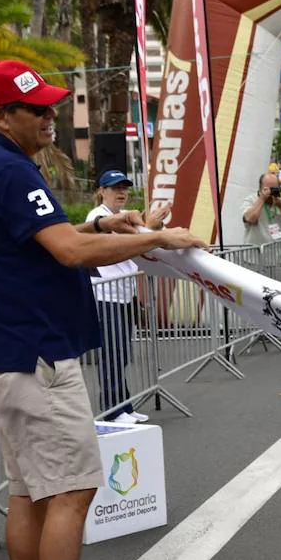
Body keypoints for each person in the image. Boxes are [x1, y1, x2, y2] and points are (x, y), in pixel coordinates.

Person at [0, 60, 204, 560]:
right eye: (35, 110)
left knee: (33, 493)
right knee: (71, 489)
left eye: (50, 107)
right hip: (35, 355)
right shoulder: (6, 167)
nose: (48, 118)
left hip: (8, 352)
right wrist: (155, 239)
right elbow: (66, 250)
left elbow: (46, 239)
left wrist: (100, 225)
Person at [86, 171, 170, 424]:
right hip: (105, 295)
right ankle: (112, 410)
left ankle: (124, 404)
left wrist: (149, 227)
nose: (121, 192)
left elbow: (137, 242)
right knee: (112, 353)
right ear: (102, 190)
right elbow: (123, 245)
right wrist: (150, 228)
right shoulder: (97, 217)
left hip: (124, 295)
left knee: (122, 353)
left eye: (124, 188)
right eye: (114, 188)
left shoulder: (121, 217)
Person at [240, 172, 281, 246]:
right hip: (256, 254)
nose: (270, 192)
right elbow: (250, 219)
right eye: (267, 189)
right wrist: (262, 199)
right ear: (260, 188)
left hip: (279, 254)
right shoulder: (250, 200)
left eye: (274, 189)